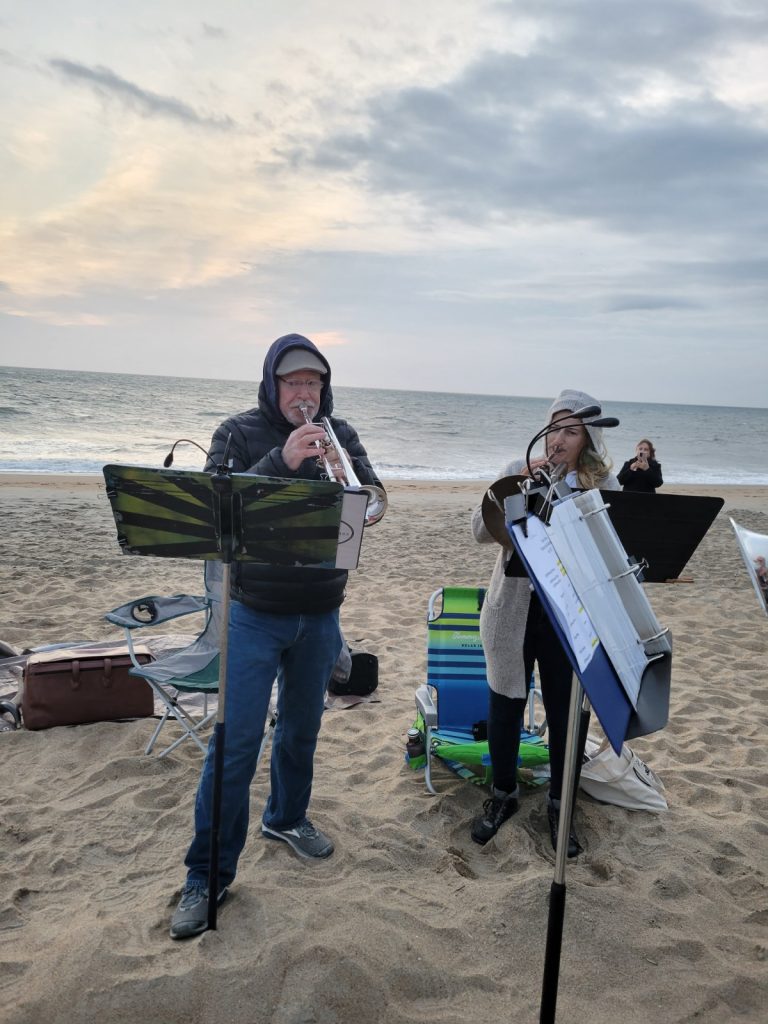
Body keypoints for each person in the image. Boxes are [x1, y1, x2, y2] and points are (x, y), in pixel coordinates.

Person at [170, 333, 384, 940]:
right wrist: (281, 463)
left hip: (321, 611)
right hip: (254, 612)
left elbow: (377, 503)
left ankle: (286, 818)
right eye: (293, 383)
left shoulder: (343, 433)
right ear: (272, 384)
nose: (305, 393)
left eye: (314, 382)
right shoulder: (238, 433)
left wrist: (347, 480)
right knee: (235, 745)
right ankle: (206, 875)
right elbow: (215, 512)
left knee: (302, 731)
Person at [469, 389, 619, 857]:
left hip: (569, 616)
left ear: (587, 440)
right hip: (511, 609)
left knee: (565, 711)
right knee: (506, 703)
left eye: (571, 431)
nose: (558, 439)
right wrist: (515, 486)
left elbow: (611, 551)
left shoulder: (601, 484)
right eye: (553, 428)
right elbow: (478, 530)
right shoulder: (518, 466)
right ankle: (503, 795)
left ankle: (560, 803)